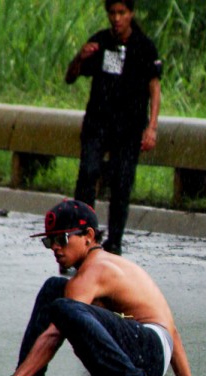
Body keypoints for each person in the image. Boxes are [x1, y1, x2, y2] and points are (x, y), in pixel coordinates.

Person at [0, 199, 206, 376]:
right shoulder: (112, 265)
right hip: (153, 349)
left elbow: (54, 333)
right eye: (49, 241)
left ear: (89, 237)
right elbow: (171, 330)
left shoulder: (93, 272)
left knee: (62, 307)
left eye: (62, 239)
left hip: (145, 354)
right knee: (54, 288)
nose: (54, 247)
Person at [65, 0, 161, 256]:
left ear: (131, 14)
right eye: (112, 13)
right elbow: (71, 76)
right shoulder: (100, 42)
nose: (116, 18)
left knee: (122, 181)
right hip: (98, 122)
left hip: (129, 127)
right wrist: (80, 57)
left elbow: (155, 87)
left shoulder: (144, 46)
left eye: (122, 13)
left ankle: (115, 240)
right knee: (88, 173)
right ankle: (83, 232)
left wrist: (151, 127)